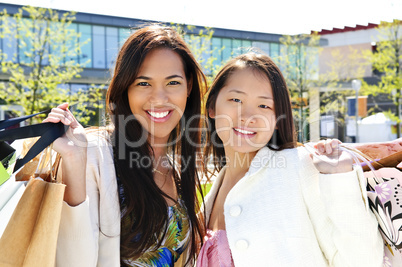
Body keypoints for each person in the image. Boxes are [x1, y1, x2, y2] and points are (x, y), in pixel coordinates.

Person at [196, 52, 384, 266]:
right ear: (211, 107)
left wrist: (339, 179)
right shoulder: (210, 197)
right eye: (236, 99)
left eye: (264, 106)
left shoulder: (299, 166)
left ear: (277, 119)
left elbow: (363, 261)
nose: (247, 116)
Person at [44, 25, 207, 266]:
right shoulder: (96, 153)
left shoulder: (179, 170)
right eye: (143, 83)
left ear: (189, 87)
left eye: (173, 83)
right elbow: (72, 261)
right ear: (126, 89)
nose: (159, 98)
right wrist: (74, 160)